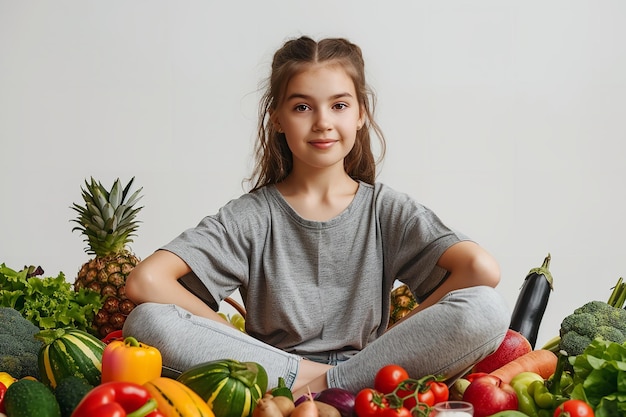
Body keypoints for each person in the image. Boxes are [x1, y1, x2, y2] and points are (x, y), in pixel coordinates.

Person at [123, 35, 510, 398]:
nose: (322, 121)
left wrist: (395, 340)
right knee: (146, 322)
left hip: (368, 366)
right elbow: (146, 280)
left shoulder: (386, 209)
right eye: (302, 107)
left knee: (485, 308)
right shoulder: (252, 216)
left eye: (339, 105)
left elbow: (480, 269)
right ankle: (323, 386)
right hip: (275, 369)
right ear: (277, 119)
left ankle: (328, 386)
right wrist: (233, 337)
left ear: (361, 114)